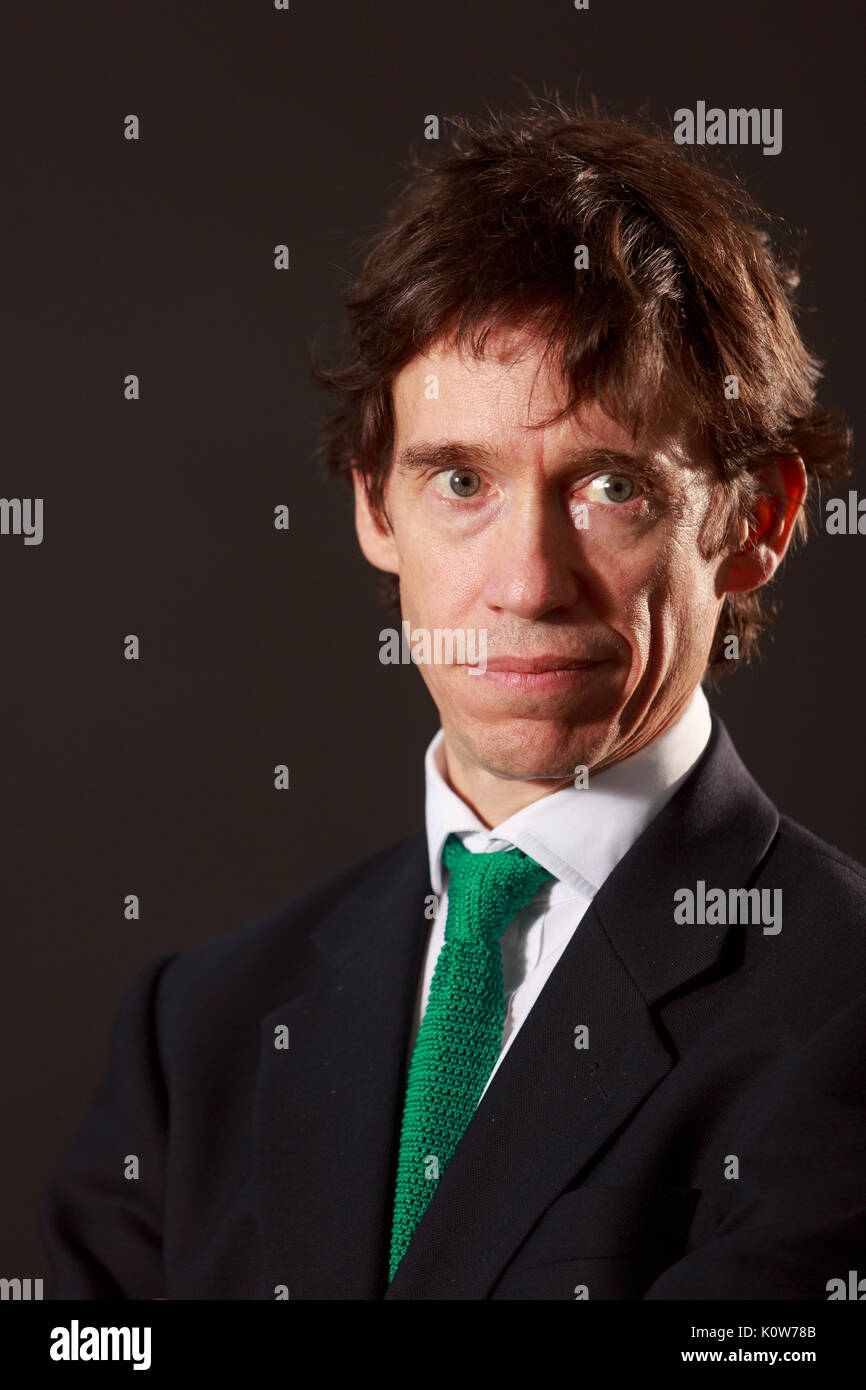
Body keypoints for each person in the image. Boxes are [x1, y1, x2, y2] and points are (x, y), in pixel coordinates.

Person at [40, 99, 866, 1300]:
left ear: (757, 521)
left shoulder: (842, 1013)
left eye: (611, 485)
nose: (526, 582)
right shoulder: (197, 1031)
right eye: (461, 480)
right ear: (375, 506)